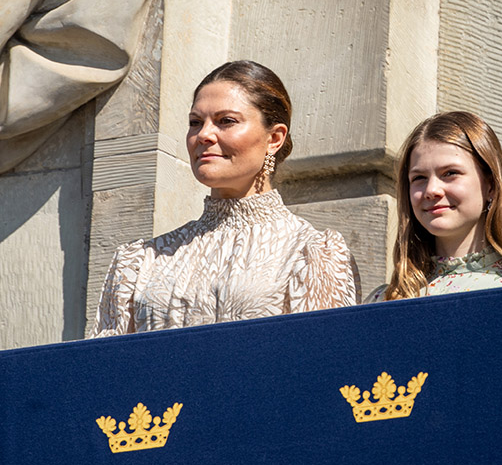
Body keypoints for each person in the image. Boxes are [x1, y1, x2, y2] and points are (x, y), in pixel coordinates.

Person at [90, 60, 358, 337]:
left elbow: (323, 366)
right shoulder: (139, 260)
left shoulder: (312, 252)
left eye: (226, 121)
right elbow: (105, 371)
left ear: (274, 138)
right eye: (195, 122)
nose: (203, 135)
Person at [366, 111, 502, 302]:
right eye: (419, 178)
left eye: (450, 173)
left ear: (491, 185)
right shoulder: (383, 299)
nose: (432, 190)